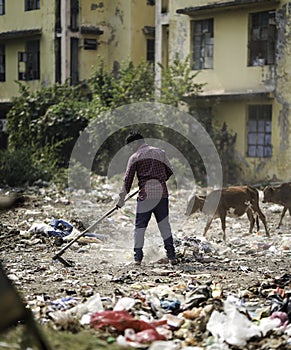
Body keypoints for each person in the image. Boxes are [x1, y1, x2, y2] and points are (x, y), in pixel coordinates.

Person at [117, 131, 177, 265]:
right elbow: (170, 171)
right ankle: (172, 257)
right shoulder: (160, 152)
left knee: (140, 228)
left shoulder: (135, 157)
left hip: (145, 197)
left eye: (131, 146)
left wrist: (121, 200)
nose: (131, 149)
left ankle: (137, 258)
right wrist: (159, 180)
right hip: (162, 195)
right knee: (164, 226)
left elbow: (127, 181)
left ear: (136, 143)